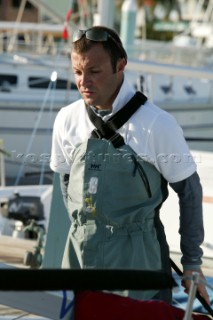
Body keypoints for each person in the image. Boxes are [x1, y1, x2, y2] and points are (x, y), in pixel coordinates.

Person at [50, 25, 210, 305]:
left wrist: (192, 263)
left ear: (120, 64)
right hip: (78, 263)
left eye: (94, 71)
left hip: (138, 271)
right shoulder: (66, 120)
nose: (83, 81)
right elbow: (65, 182)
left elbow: (190, 192)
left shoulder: (157, 125)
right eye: (77, 72)